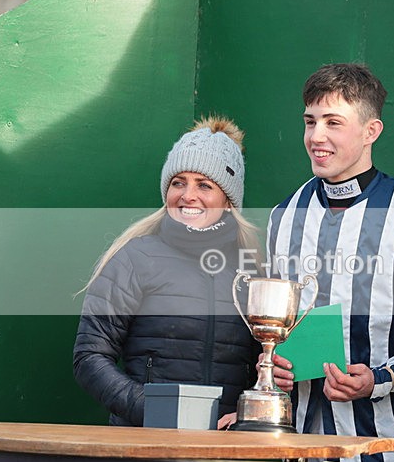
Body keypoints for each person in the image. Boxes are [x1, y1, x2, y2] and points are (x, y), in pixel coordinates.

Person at [267, 63, 394, 462]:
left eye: (333, 122)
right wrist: (273, 365)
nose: (316, 136)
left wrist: (377, 379)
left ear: (371, 131)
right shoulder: (283, 217)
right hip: (301, 456)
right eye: (310, 121)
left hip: (382, 458)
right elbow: (272, 332)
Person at [73, 116, 262, 430]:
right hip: (145, 446)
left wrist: (249, 412)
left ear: (228, 201)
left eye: (204, 185)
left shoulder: (250, 270)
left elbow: (267, 368)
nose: (188, 195)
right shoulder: (134, 257)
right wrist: (152, 410)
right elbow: (89, 357)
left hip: (226, 450)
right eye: (178, 182)